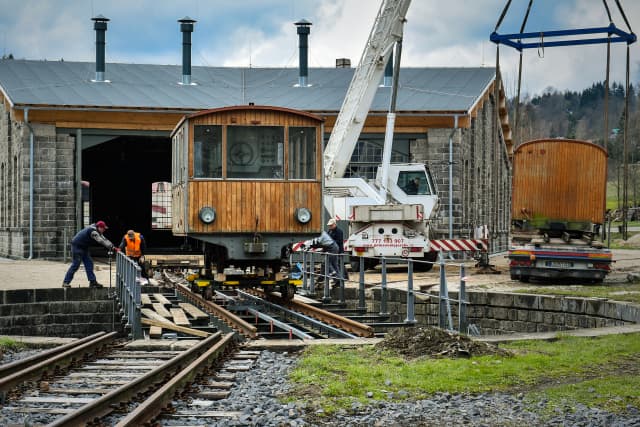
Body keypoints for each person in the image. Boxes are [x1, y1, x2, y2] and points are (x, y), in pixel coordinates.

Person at [63, 221, 117, 288]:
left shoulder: (97, 230)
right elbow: (100, 240)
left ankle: (92, 282)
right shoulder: (93, 231)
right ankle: (66, 282)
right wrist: (110, 247)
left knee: (89, 263)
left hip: (84, 247)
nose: (104, 230)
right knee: (75, 265)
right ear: (99, 227)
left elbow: (104, 239)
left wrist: (113, 246)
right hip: (77, 247)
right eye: (104, 229)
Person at [326, 218, 348, 286]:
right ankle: (339, 278)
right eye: (329, 225)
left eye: (331, 225)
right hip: (331, 250)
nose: (330, 226)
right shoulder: (329, 231)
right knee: (336, 264)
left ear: (335, 224)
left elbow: (339, 241)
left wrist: (330, 242)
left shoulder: (339, 231)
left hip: (338, 250)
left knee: (338, 264)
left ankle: (342, 277)